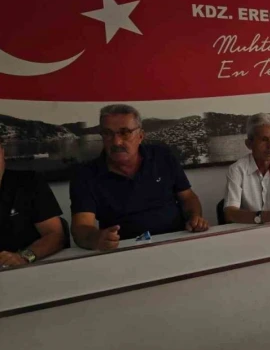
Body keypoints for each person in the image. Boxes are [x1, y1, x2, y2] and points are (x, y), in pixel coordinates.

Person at [70, 104, 209, 251]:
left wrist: (194, 217)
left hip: (176, 240)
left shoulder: (162, 156)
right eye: (107, 133)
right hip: (124, 249)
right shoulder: (85, 175)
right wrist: (96, 239)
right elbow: (81, 227)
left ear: (140, 136)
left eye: (125, 133)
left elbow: (188, 197)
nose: (116, 142)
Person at [0, 139, 65, 267]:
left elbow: (55, 235)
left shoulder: (30, 181)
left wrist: (23, 257)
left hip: (30, 268)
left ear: (2, 153)